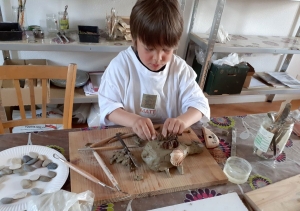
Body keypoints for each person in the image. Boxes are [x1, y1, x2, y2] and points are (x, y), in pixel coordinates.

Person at [98, 0, 210, 141]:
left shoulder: (180, 69)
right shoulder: (120, 66)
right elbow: (108, 107)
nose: (158, 58)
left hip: (166, 139)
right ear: (134, 39)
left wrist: (182, 121)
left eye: (166, 49)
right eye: (149, 49)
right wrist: (134, 121)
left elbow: (199, 105)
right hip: (127, 136)